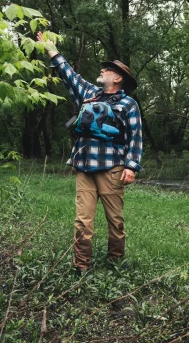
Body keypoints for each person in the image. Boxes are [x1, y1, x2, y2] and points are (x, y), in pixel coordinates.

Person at [37, 32, 143, 275]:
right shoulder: (89, 94)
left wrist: (131, 166)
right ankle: (81, 265)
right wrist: (51, 49)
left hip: (112, 168)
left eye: (107, 69)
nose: (103, 70)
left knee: (115, 221)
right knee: (83, 221)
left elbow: (135, 136)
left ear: (117, 78)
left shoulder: (129, 105)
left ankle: (116, 260)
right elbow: (69, 75)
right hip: (84, 167)